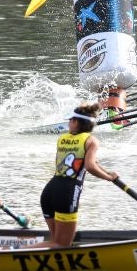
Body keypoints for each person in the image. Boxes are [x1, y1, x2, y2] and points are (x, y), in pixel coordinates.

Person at [31, 103, 118, 248]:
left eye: (70, 120)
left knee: (54, 242)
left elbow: (88, 162)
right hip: (67, 193)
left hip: (49, 191)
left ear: (77, 122)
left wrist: (108, 171)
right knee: (61, 245)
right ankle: (9, 255)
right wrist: (108, 178)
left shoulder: (63, 139)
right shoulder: (91, 141)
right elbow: (90, 166)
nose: (68, 123)